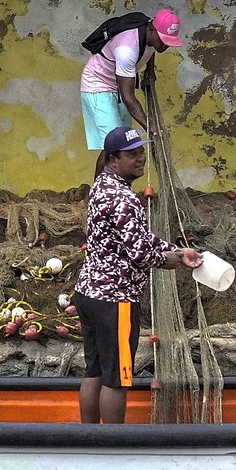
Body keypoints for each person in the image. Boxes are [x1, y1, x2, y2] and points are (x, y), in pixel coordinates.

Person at [72, 125, 202, 425]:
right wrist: (168, 260)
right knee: (117, 378)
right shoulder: (126, 198)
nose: (140, 159)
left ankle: (87, 440)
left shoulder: (102, 186)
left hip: (89, 293)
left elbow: (137, 237)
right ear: (113, 159)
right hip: (114, 299)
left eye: (142, 152)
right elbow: (141, 253)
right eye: (132, 154)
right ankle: (114, 447)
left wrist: (178, 251)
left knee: (94, 371)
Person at [80, 8, 183, 172]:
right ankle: (99, 195)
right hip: (99, 85)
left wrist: (150, 70)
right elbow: (128, 97)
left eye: (169, 42)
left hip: (119, 85)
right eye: (163, 40)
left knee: (124, 144)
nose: (165, 46)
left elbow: (150, 49)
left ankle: (119, 192)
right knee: (114, 146)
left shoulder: (150, 35)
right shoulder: (127, 49)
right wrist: (151, 127)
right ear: (151, 30)